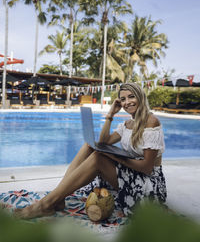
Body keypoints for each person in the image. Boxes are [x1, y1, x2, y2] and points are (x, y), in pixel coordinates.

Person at [15, 83, 167, 219]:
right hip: (131, 174)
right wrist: (110, 114)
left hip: (148, 185)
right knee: (90, 146)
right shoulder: (127, 123)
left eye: (131, 97)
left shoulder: (151, 121)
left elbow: (147, 168)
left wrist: (114, 157)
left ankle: (45, 205)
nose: (127, 102)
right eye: (123, 99)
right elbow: (103, 142)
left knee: (98, 158)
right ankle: (58, 198)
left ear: (140, 97)